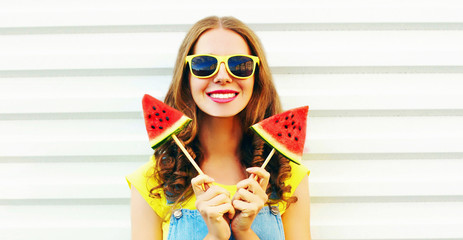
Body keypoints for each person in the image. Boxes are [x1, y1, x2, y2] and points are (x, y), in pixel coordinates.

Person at [126, 16, 311, 240]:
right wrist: (214, 235)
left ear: (256, 77)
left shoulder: (287, 175)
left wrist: (244, 232)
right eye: (204, 64)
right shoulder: (153, 180)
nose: (223, 76)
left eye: (239, 65)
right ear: (187, 77)